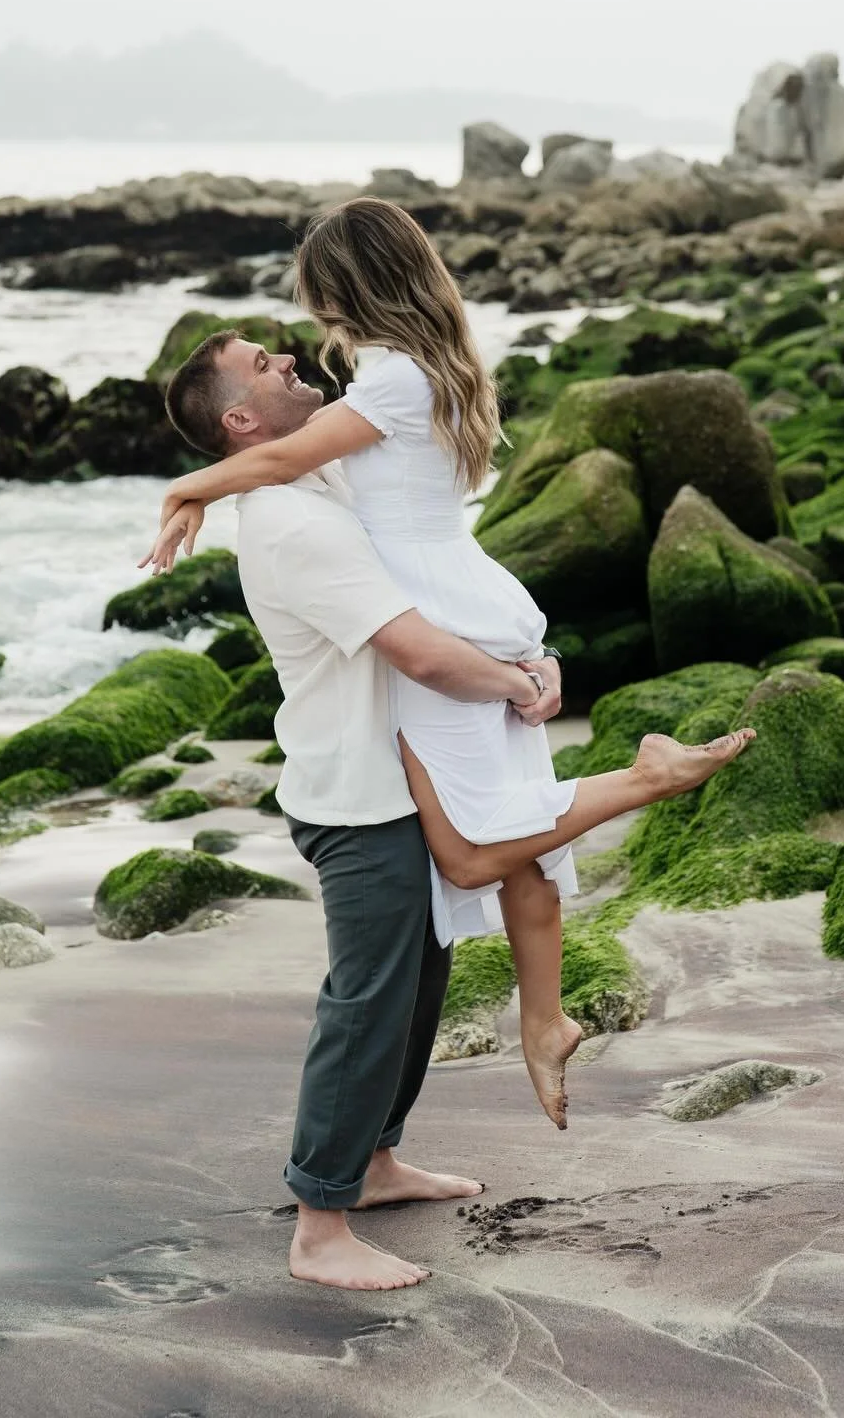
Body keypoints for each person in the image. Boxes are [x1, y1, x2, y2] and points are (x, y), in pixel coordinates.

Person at [159, 319, 753, 1292]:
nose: (292, 362)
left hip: (400, 775)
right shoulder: (293, 523)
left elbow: (438, 580)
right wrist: (515, 689)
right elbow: (419, 650)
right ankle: (319, 1222)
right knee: (368, 1003)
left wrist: (527, 656)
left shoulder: (323, 481)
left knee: (419, 989)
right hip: (355, 797)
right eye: (266, 365)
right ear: (239, 417)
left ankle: (377, 1163)